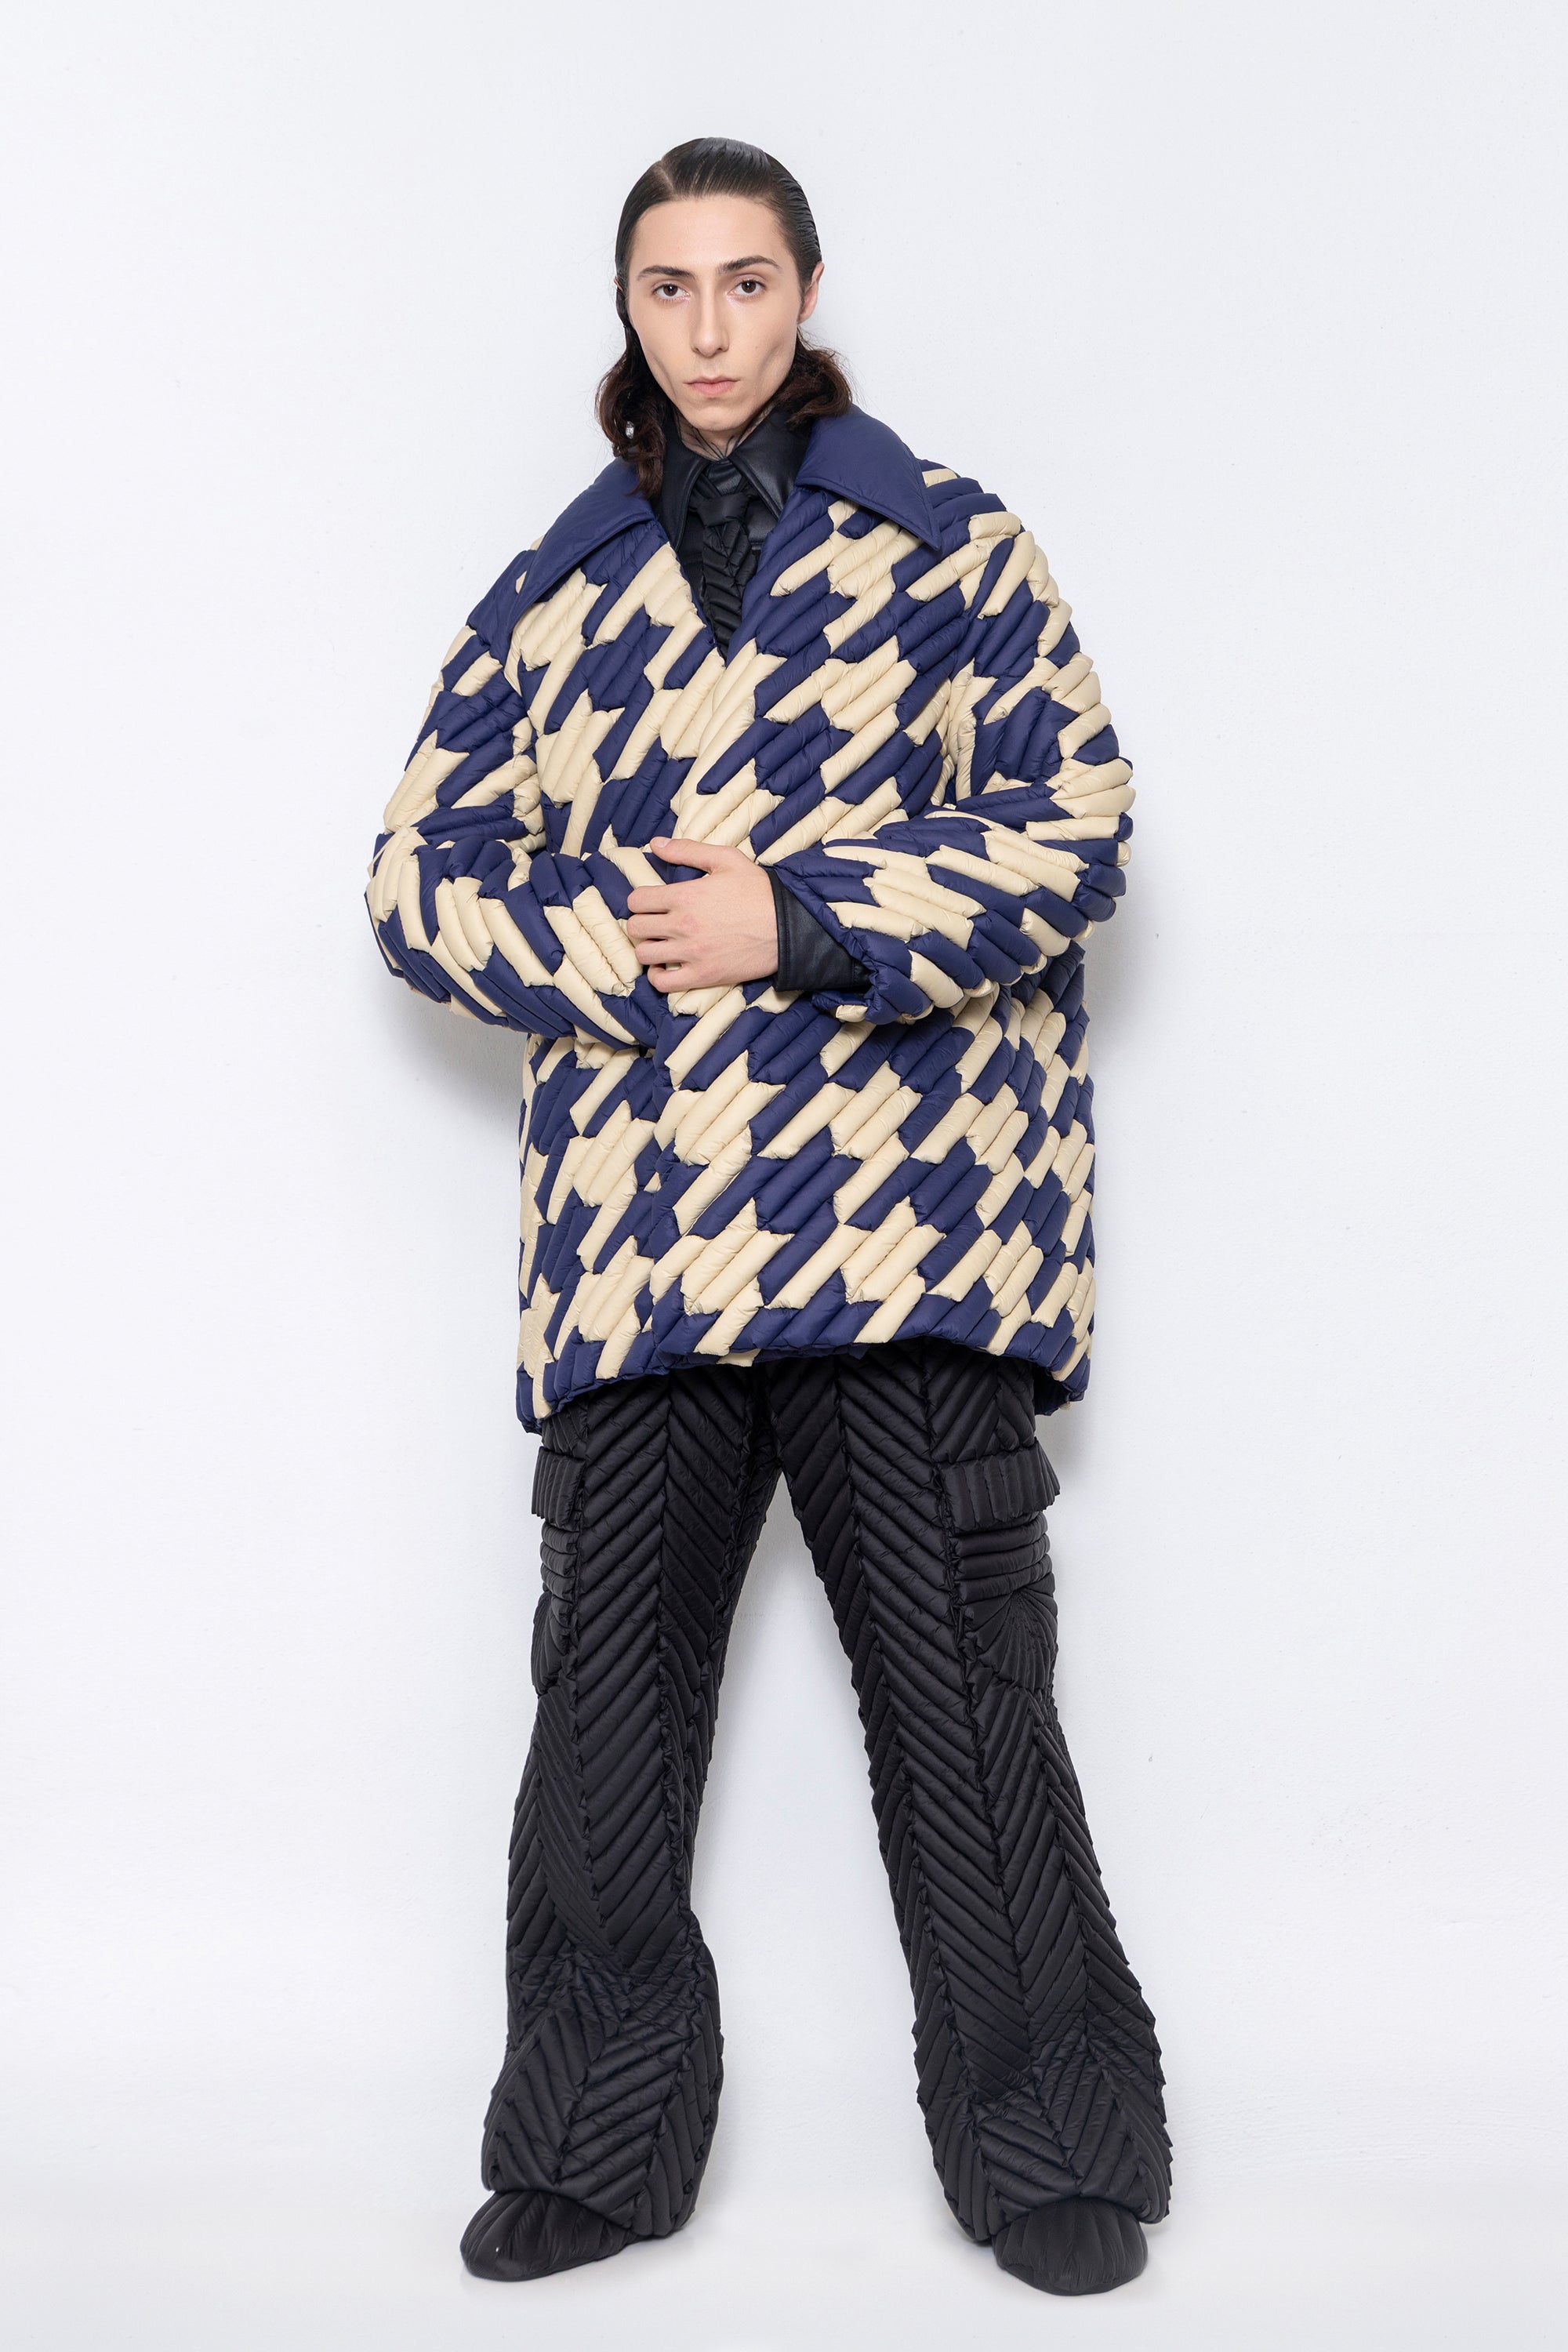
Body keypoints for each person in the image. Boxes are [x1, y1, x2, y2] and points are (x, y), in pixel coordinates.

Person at [366, 135, 1171, 2299]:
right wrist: (642, 946)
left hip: (904, 1215)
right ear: (627, 311)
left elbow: (1077, 829)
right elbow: (418, 881)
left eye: (745, 281)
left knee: (966, 1705)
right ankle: (592, 2143)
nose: (709, 327)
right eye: (669, 287)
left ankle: (1052, 2141)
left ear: (805, 290)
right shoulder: (547, 597)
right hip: (643, 1237)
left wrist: (797, 917)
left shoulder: (956, 547)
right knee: (603, 1724)